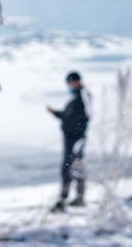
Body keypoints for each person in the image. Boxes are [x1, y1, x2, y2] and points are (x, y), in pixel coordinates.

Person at [46, 71, 89, 212]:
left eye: (70, 83)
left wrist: (71, 128)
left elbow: (74, 118)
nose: (69, 86)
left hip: (74, 139)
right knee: (75, 167)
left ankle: (63, 200)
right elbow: (67, 116)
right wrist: (55, 113)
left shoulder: (81, 97)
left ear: (75, 81)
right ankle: (78, 198)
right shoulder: (78, 97)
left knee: (69, 168)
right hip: (74, 138)